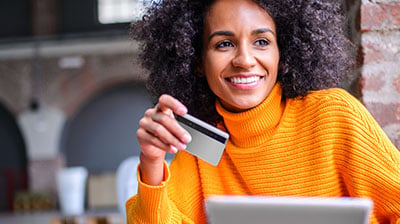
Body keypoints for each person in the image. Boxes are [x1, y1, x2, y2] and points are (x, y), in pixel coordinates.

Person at [127, 0, 400, 223]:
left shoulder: (333, 116)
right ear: (197, 61)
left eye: (261, 42)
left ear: (283, 50)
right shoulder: (199, 145)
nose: (245, 60)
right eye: (224, 44)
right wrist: (151, 161)